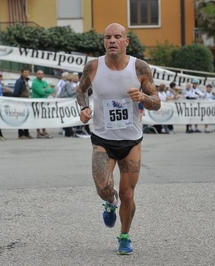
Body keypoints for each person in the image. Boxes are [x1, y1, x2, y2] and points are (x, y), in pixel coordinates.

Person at [75, 23, 161, 255]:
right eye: (108, 37)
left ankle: (124, 236)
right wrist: (83, 108)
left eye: (117, 36)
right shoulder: (93, 67)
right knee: (104, 188)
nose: (112, 40)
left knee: (128, 194)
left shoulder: (140, 67)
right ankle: (110, 203)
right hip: (103, 139)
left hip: (131, 140)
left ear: (126, 41)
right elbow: (80, 90)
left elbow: (156, 101)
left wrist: (142, 96)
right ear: (104, 42)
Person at [31, 70, 53, 139]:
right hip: (37, 102)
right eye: (39, 74)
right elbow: (40, 92)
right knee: (37, 117)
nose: (40, 75)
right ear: (36, 75)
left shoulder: (44, 82)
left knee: (44, 117)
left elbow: (51, 89)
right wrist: (45, 90)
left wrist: (44, 89)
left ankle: (44, 131)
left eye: (42, 74)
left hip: (44, 102)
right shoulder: (35, 82)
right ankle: (38, 132)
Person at [13, 68, 34, 139]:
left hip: (26, 101)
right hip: (21, 100)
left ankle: (26, 132)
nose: (26, 74)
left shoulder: (26, 80)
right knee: (21, 117)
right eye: (25, 72)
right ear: (22, 73)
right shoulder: (19, 81)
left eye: (27, 72)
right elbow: (16, 92)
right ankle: (21, 133)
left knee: (27, 117)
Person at [59, 73, 77, 137]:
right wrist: (76, 90)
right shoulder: (68, 84)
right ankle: (68, 131)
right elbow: (70, 93)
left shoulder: (67, 84)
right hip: (66, 101)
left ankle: (68, 131)